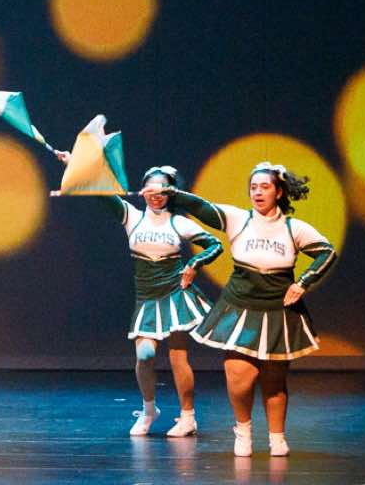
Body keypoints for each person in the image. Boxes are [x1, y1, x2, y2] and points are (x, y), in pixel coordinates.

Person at [165, 163, 338, 457]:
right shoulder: (238, 219)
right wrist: (170, 193)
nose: (258, 192)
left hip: (278, 310)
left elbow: (326, 252)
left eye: (265, 187)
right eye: (253, 187)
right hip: (240, 306)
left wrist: (303, 283)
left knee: (274, 380)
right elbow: (202, 207)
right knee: (237, 374)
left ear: (279, 192)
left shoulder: (293, 228)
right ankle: (243, 431)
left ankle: (276, 437)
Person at [59, 159, 222, 437]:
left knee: (178, 358)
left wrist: (194, 264)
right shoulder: (131, 216)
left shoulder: (178, 222)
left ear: (171, 193)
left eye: (162, 190)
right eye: (150, 189)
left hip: (175, 295)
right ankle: (149, 411)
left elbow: (214, 245)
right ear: (143, 190)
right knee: (145, 355)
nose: (155, 195)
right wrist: (76, 163)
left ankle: (188, 417)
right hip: (147, 297)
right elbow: (99, 190)